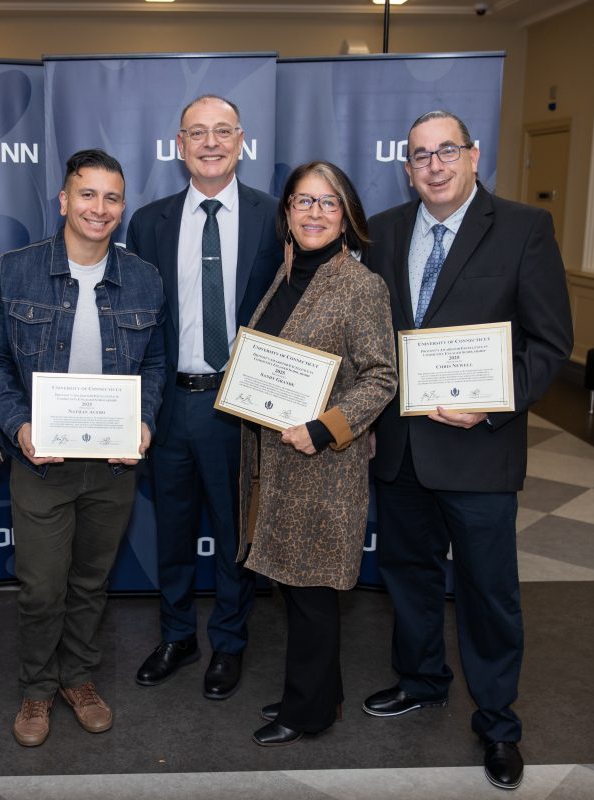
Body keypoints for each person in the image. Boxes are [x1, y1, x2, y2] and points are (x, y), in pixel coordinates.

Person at [362, 110, 573, 789]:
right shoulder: (386, 231)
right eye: (420, 154)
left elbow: (549, 343)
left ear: (474, 156)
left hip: (480, 450)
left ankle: (498, 724)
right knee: (409, 578)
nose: (434, 165)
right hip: (399, 451)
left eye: (446, 150)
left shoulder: (522, 229)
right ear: (408, 166)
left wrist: (494, 402)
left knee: (487, 593)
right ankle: (422, 680)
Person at [0, 149, 165, 747]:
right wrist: (18, 426)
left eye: (112, 198)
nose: (99, 208)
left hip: (112, 463)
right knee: (40, 586)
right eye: (87, 195)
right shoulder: (16, 270)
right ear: (63, 201)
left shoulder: (144, 277)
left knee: (91, 582)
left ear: (122, 206)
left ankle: (77, 678)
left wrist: (144, 421)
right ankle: (36, 688)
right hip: (41, 458)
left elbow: (156, 362)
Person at [126, 94, 280, 700]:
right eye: (197, 133)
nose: (210, 143)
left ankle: (230, 643)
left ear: (240, 139)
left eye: (222, 132)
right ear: (180, 144)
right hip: (170, 401)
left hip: (241, 405)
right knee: (173, 530)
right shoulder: (149, 221)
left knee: (236, 531)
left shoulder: (275, 216)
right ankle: (176, 636)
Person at [237, 162, 397, 747]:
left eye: (328, 203)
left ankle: (307, 714)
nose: (314, 212)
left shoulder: (359, 285)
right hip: (275, 464)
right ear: (287, 213)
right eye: (303, 201)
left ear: (347, 215)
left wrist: (326, 430)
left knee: (311, 594)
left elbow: (381, 378)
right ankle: (318, 692)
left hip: (322, 465)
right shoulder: (286, 276)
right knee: (295, 587)